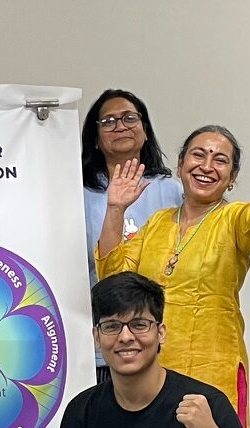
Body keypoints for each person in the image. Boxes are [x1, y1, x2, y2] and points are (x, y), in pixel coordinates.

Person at [95, 99, 250, 428]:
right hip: (154, 368)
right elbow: (113, 275)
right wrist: (115, 209)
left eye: (220, 160)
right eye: (198, 155)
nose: (206, 166)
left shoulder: (233, 219)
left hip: (214, 366)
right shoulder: (158, 222)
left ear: (232, 177)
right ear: (180, 164)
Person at [55, 271, 250, 428]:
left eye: (139, 324)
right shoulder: (82, 412)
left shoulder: (207, 405)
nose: (125, 337)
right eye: (112, 326)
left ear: (160, 333)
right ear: (96, 336)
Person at [81, 89, 185, 385]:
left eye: (129, 118)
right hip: (107, 341)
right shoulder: (77, 195)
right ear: (95, 138)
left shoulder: (173, 190)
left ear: (145, 129)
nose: (120, 126)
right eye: (108, 121)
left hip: (164, 338)